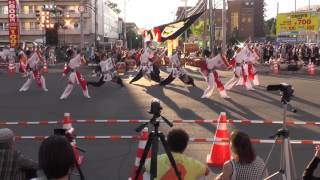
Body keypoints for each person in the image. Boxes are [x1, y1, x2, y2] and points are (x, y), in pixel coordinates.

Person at [144, 128, 209, 180]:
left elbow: (145, 167)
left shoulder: (157, 160)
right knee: (201, 175)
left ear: (167, 145)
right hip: (192, 167)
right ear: (185, 147)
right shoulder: (192, 163)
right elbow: (207, 171)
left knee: (147, 173)